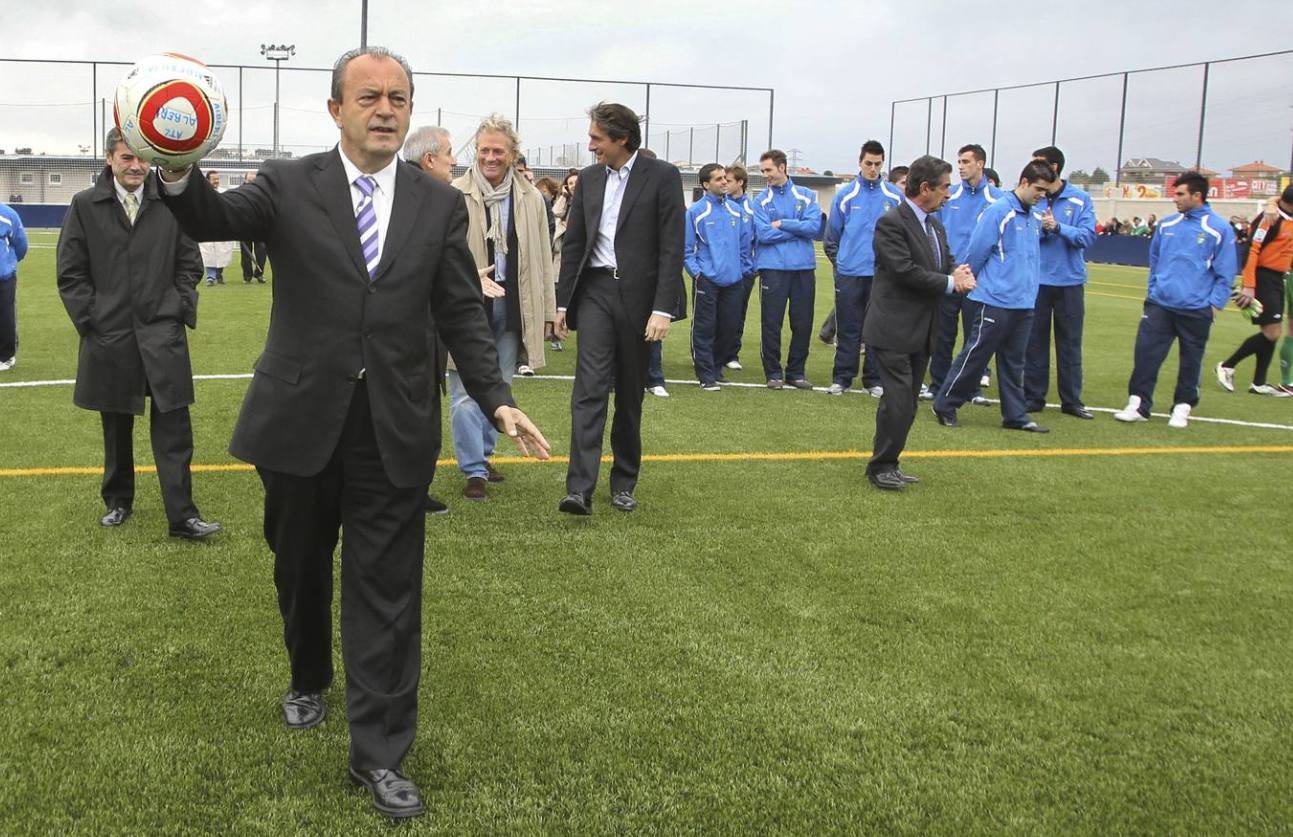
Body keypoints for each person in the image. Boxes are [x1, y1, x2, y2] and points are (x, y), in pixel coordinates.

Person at [157, 47, 550, 819]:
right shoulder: (287, 181)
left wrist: (495, 396)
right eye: (368, 96)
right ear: (335, 108)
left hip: (394, 428)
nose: (384, 109)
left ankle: (378, 755)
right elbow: (212, 216)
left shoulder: (440, 205)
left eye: (397, 98)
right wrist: (175, 163)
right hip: (299, 422)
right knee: (300, 565)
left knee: (388, 594)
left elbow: (460, 309)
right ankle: (308, 674)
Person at [56, 127, 222, 540]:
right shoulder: (84, 206)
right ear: (110, 159)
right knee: (115, 425)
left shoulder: (169, 202)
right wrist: (92, 319)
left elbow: (190, 263)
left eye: (142, 158)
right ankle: (118, 501)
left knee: (175, 428)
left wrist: (178, 307)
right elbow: (70, 273)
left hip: (161, 332)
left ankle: (182, 516)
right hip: (109, 335)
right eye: (127, 157)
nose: (136, 166)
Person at [553, 102, 685, 515]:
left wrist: (662, 308)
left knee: (630, 394)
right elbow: (574, 243)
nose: (591, 146)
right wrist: (561, 303)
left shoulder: (662, 177)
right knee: (589, 389)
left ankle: (624, 482)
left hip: (639, 299)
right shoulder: (589, 180)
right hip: (593, 293)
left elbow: (671, 246)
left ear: (621, 138)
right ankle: (579, 488)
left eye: (596, 139)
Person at [449, 115, 556, 500]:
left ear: (512, 154)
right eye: (483, 150)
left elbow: (543, 258)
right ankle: (473, 468)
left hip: (514, 305)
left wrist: (546, 310)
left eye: (498, 151)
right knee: (463, 390)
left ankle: (486, 454)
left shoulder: (532, 199)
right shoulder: (453, 194)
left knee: (500, 387)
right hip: (466, 306)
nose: (490, 157)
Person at [865, 155, 974, 491]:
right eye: (944, 187)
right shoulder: (891, 222)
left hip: (923, 328)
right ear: (925, 188)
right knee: (899, 401)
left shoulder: (934, 225)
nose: (949, 193)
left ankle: (890, 461)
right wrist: (949, 283)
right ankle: (881, 465)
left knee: (907, 402)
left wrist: (958, 271)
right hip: (893, 327)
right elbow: (904, 271)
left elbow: (944, 260)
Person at [932, 160, 1058, 433]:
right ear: (1024, 182)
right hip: (995, 299)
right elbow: (977, 251)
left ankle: (1015, 415)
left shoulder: (1035, 216)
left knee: (1015, 361)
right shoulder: (999, 212)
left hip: (1023, 301)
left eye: (1046, 191)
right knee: (975, 355)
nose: (1042, 195)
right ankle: (945, 403)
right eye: (1038, 189)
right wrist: (968, 281)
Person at [1113, 171, 1236, 428]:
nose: (1174, 199)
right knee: (1146, 355)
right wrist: (1153, 292)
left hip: (1196, 308)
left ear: (1197, 195)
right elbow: (1155, 262)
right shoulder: (1167, 225)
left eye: (1180, 194)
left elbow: (1226, 273)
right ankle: (1137, 403)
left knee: (1191, 359)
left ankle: (1183, 406)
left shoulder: (1219, 229)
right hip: (1159, 305)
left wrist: (1214, 306)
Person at [402, 123, 458, 516]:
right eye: (449, 153)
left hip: (428, 325)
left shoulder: (437, 199)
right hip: (408, 330)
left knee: (424, 409)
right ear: (429, 159)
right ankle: (408, 491)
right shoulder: (410, 199)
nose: (454, 160)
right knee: (411, 412)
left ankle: (415, 488)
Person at [1024, 145, 1097, 420]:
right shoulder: (1032, 198)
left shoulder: (1080, 200)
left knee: (1069, 343)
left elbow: (1087, 237)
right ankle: (1033, 396)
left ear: (1053, 168)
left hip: (1069, 282)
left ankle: (1072, 400)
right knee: (1034, 341)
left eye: (1037, 164)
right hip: (1037, 280)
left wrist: (1059, 228)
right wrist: (1042, 231)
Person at [926, 144, 1003, 402]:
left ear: (980, 164)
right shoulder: (950, 196)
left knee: (976, 338)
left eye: (966, 161)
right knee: (943, 335)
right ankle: (937, 384)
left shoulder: (997, 199)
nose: (960, 166)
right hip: (951, 276)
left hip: (979, 282)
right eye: (958, 161)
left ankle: (972, 388)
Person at [825, 140, 902, 396]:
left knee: (877, 329)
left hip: (881, 275)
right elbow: (832, 237)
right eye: (868, 163)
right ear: (860, 162)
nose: (872, 168)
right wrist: (842, 263)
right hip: (849, 273)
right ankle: (842, 378)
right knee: (848, 327)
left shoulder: (894, 196)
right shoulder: (845, 195)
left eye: (877, 164)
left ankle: (874, 380)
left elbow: (902, 235)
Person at [752, 149, 821, 389]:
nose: (765, 175)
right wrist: (797, 229)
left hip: (803, 268)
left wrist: (783, 223)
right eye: (762, 171)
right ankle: (773, 373)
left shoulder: (807, 195)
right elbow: (763, 234)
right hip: (773, 269)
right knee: (772, 323)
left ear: (782, 168)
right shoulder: (760, 201)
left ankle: (796, 372)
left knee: (802, 323)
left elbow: (814, 228)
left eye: (768, 170)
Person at [1216, 185, 1293, 396]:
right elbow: (1252, 250)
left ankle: (1259, 383)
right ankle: (1227, 365)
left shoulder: (1283, 213)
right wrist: (1249, 286)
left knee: (1271, 333)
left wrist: (1272, 201)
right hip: (1263, 277)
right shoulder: (1270, 219)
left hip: (1277, 278)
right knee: (1272, 332)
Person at [685, 163, 752, 390]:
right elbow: (686, 250)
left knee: (729, 327)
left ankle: (717, 368)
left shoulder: (737, 211)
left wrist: (742, 271)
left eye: (725, 178)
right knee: (705, 328)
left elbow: (745, 247)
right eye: (718, 179)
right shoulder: (696, 212)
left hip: (734, 281)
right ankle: (705, 374)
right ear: (706, 185)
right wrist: (698, 274)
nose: (724, 182)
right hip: (708, 280)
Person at [722, 163, 756, 371]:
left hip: (744, 271)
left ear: (740, 182)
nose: (725, 183)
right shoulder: (720, 205)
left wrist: (753, 266)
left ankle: (731, 353)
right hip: (722, 269)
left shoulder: (752, 209)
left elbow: (758, 240)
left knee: (737, 313)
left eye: (729, 180)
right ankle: (710, 353)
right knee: (715, 314)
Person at [549, 168, 580, 353]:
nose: (574, 186)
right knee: (558, 294)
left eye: (577, 182)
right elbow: (556, 212)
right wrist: (564, 195)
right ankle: (556, 335)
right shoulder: (565, 203)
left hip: (580, 259)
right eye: (570, 184)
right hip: (561, 256)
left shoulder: (588, 200)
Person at [0, 199, 27, 371]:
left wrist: (8, 264)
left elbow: (21, 245)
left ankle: (6, 356)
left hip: (5, 277)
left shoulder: (8, 215)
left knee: (5, 316)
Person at [198, 171, 235, 285]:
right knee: (208, 253)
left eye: (217, 179)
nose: (216, 181)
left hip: (221, 228)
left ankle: (218, 274)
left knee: (222, 253)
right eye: (214, 179)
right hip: (207, 228)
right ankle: (210, 277)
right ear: (208, 180)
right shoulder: (201, 193)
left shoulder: (224, 192)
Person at [239, 170, 268, 283]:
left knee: (261, 251)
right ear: (245, 180)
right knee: (246, 254)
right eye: (249, 180)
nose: (251, 182)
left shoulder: (262, 193)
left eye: (254, 180)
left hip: (259, 227)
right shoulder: (240, 192)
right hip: (244, 227)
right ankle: (247, 277)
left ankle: (259, 274)